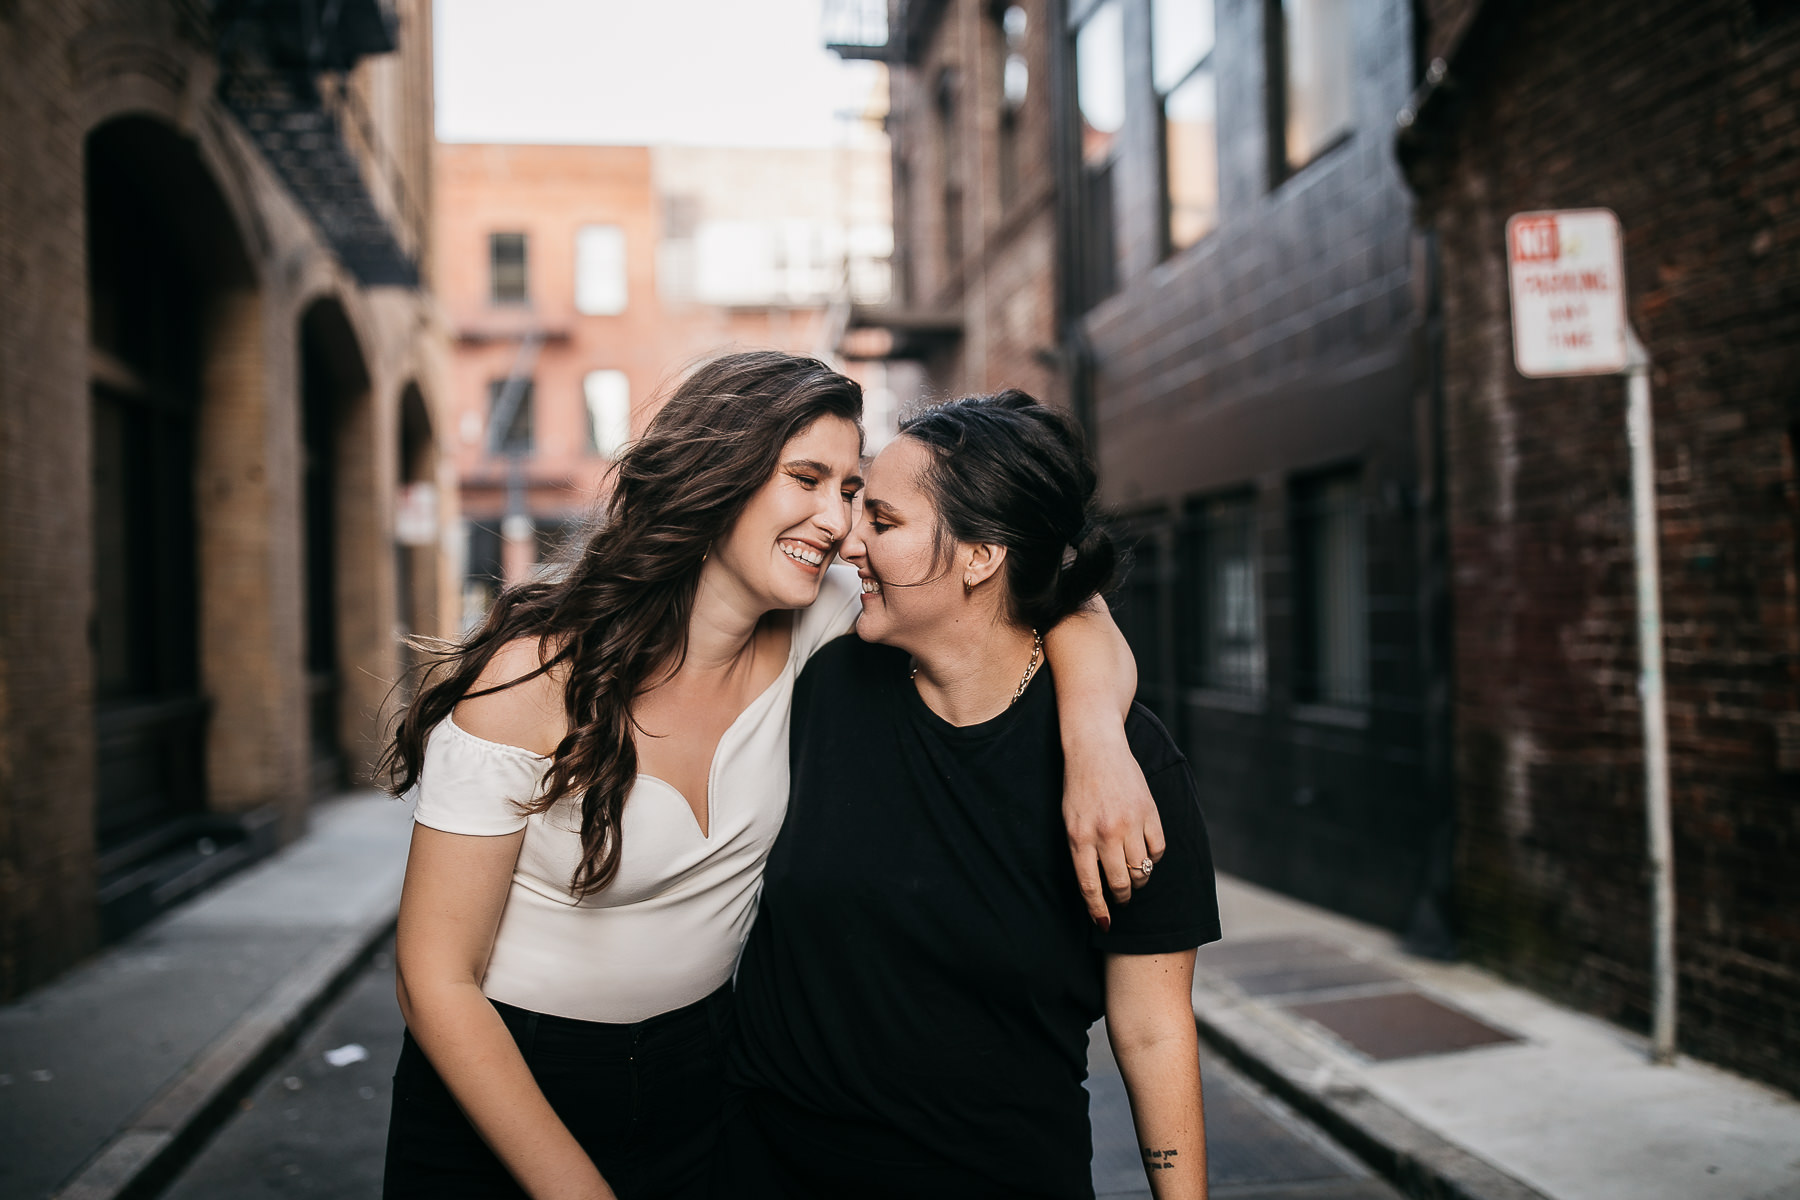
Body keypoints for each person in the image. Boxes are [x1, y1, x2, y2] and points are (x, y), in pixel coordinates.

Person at [378, 353, 1163, 1200]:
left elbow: (1058, 596)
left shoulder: (828, 623)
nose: (837, 521)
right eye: (808, 479)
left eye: (854, 490)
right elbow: (434, 979)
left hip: (705, 1087)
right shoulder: (534, 682)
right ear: (720, 473)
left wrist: (1094, 742)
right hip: (505, 1087)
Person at [719, 389, 1222, 1200]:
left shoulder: (1129, 770)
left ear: (982, 556)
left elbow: (1154, 1028)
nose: (847, 539)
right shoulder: (825, 678)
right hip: (773, 1171)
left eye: (881, 521)